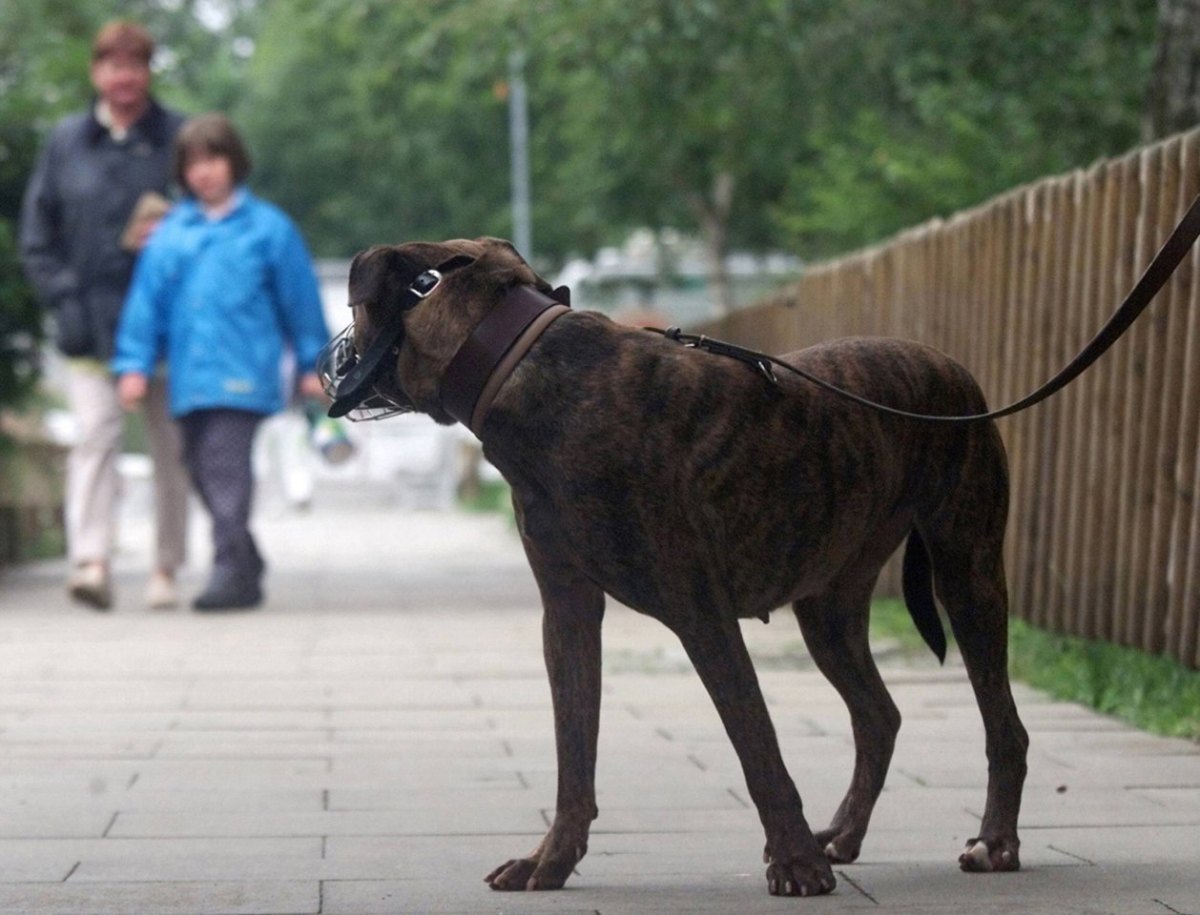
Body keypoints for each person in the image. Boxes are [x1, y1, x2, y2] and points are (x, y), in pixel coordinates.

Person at [113, 113, 330, 611]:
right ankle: (247, 559)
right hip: (189, 377)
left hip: (244, 373)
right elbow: (146, 306)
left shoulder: (269, 230)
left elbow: (300, 302)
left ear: (234, 162)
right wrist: (134, 365)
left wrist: (311, 362)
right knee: (196, 466)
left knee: (225, 466)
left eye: (212, 159)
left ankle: (228, 571)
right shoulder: (171, 235)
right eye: (192, 163)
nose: (203, 172)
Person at [19, 21, 190, 611]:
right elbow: (36, 237)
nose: (124, 77)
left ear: (148, 72)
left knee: (172, 448)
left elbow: (206, 219)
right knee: (95, 438)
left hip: (165, 328)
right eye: (113, 65)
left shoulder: (178, 137)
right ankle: (91, 560)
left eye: (135, 65)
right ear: (97, 72)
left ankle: (166, 566)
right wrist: (62, 297)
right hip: (86, 326)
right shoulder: (66, 141)